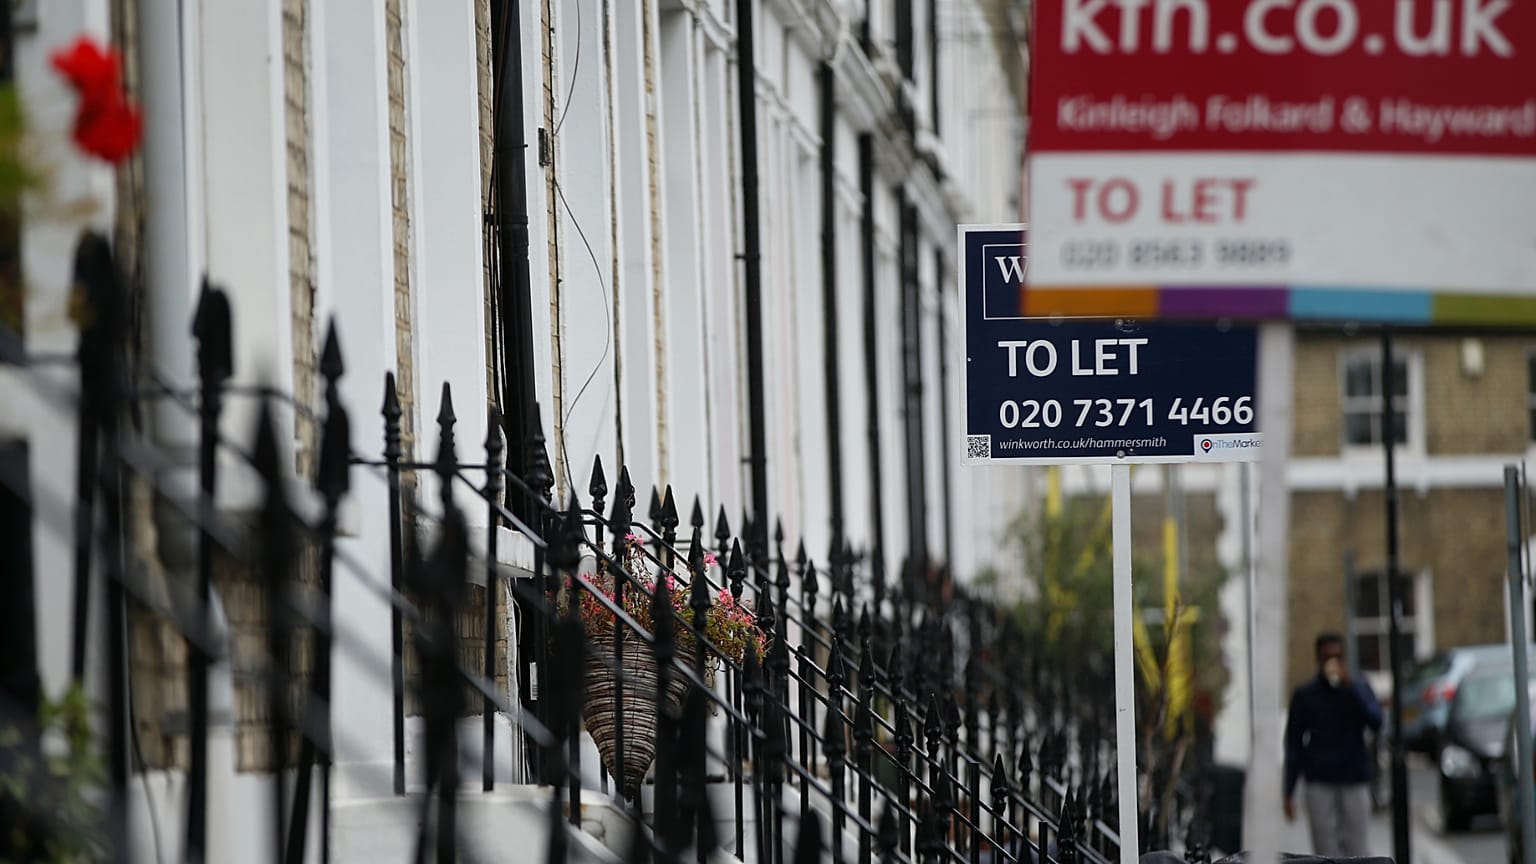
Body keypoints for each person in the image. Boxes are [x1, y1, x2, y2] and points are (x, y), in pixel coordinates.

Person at [1283, 632, 1384, 858]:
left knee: (1357, 849)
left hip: (1354, 777)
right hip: (1320, 779)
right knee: (1324, 850)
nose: (1333, 662)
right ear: (1318, 660)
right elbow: (1293, 743)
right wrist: (1288, 791)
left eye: (1337, 657)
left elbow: (1376, 721)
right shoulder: (1305, 694)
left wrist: (1352, 688)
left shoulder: (1358, 687)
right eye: (1327, 657)